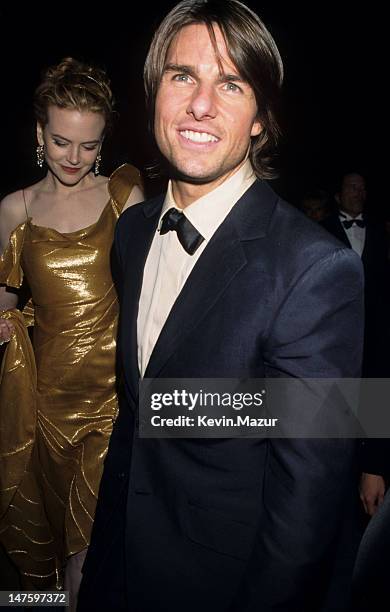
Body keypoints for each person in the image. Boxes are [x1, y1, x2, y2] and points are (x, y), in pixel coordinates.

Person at [78, 2, 364, 611]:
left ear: (261, 118)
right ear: (155, 93)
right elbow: (139, 421)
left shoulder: (317, 269)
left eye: (231, 83)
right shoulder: (131, 234)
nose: (200, 105)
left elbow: (307, 506)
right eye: (183, 76)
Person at [0, 57, 143, 605]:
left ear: (103, 141)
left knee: (87, 547)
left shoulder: (123, 197)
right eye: (61, 142)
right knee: (58, 550)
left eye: (88, 145)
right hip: (44, 404)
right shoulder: (16, 209)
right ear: (40, 134)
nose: (74, 158)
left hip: (110, 402)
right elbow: (6, 300)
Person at [321, 173, 390, 519]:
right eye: (352, 186)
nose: (359, 192)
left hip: (375, 342)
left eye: (364, 187)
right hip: (329, 347)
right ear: (337, 195)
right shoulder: (316, 230)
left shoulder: (381, 233)